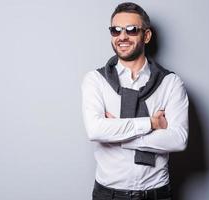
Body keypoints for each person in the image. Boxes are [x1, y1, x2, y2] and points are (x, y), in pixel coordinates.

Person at [81, 2, 189, 200]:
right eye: (116, 30)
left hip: (157, 193)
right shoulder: (95, 80)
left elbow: (178, 140)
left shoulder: (170, 82)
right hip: (108, 194)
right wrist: (151, 123)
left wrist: (118, 135)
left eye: (131, 30)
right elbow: (95, 130)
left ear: (146, 36)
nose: (122, 36)